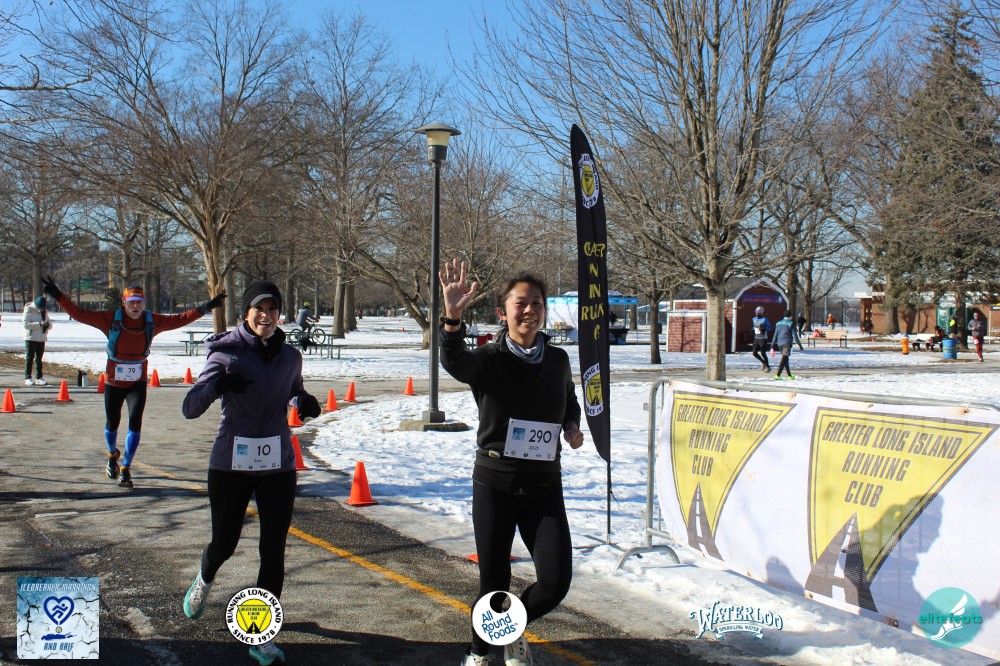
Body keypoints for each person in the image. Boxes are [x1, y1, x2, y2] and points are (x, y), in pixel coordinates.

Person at [439, 259, 584, 666]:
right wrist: (452, 318)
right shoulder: (489, 359)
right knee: (494, 584)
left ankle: (509, 629)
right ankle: (478, 652)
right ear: (503, 312)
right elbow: (454, 361)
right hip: (496, 482)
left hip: (543, 486)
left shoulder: (557, 360)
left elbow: (568, 400)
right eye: (521, 303)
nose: (530, 310)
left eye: (537, 302)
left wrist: (571, 425)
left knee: (555, 582)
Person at [180, 281, 320, 666]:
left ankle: (261, 636)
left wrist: (304, 401)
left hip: (277, 464)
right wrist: (218, 384)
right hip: (231, 464)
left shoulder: (290, 356)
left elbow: (293, 390)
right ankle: (205, 578)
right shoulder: (225, 354)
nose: (266, 316)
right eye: (259, 308)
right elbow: (190, 408)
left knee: (273, 550)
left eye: (273, 309)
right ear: (246, 313)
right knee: (224, 544)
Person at [43, 278, 225, 488]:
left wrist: (206, 307)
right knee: (112, 425)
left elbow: (179, 319)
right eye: (132, 302)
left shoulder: (151, 321)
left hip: (137, 383)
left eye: (139, 302)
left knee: (135, 424)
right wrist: (59, 296)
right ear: (124, 303)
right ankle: (112, 455)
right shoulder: (111, 319)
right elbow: (80, 314)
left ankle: (126, 468)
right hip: (113, 382)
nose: (136, 306)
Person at [22, 296, 52, 386]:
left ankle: (39, 377)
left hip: (41, 338)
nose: (41, 309)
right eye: (40, 307)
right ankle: (27, 377)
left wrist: (47, 325)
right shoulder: (29, 310)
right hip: (30, 338)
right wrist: (39, 324)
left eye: (43, 307)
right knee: (29, 358)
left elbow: (49, 323)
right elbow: (26, 325)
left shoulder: (44, 311)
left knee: (39, 359)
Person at [772, 310, 801, 380]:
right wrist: (800, 345)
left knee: (785, 359)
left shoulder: (778, 323)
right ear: (791, 316)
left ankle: (790, 376)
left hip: (779, 343)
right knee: (784, 358)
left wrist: (772, 345)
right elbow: (795, 336)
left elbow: (775, 335)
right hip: (787, 343)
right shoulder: (791, 324)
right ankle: (778, 375)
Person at [751, 306, 772, 372]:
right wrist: (752, 329)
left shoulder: (764, 319)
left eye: (759, 311)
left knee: (763, 353)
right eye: (756, 311)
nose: (757, 312)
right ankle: (764, 363)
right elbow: (755, 326)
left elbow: (769, 327)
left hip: (763, 338)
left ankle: (768, 367)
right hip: (756, 337)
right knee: (754, 353)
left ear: (761, 312)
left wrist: (764, 329)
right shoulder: (754, 319)